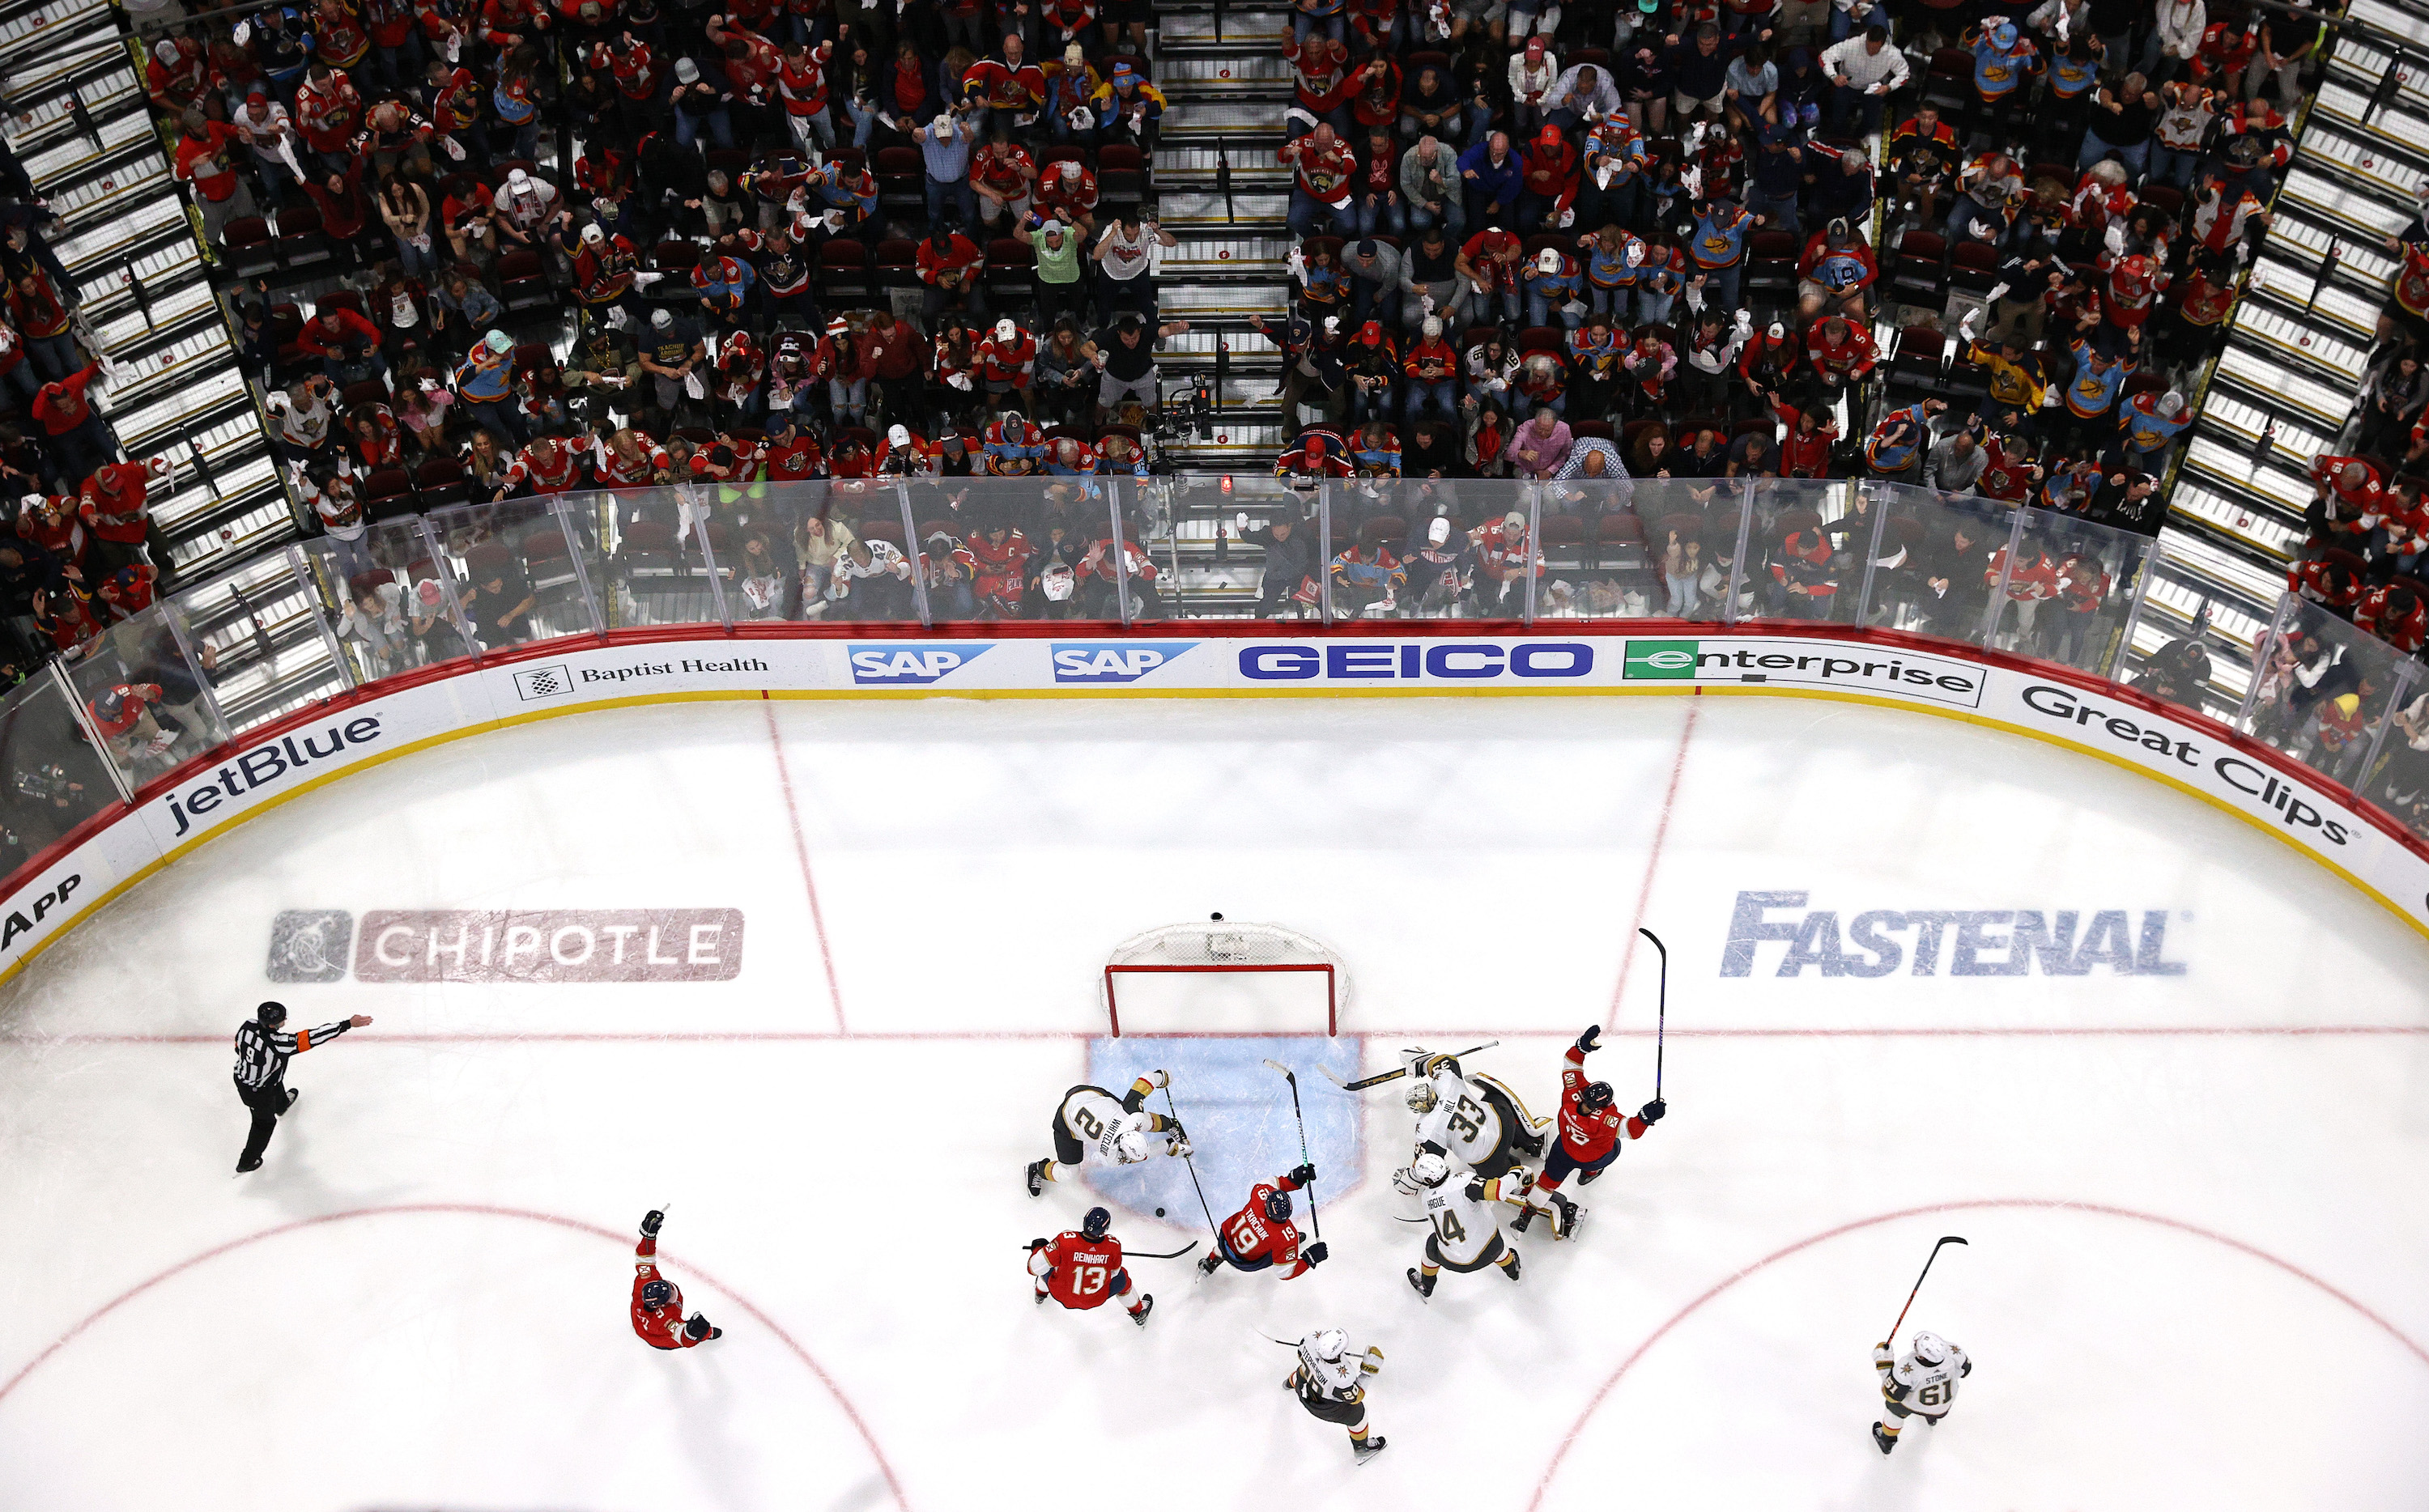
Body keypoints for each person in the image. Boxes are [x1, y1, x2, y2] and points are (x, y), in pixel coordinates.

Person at [1517, 1022, 1661, 1234]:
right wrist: (1646, 1116)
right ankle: (1589, 1173)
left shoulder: (1571, 1093)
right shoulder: (1606, 1120)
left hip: (1563, 1150)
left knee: (1547, 1182)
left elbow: (1570, 1063)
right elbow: (1631, 1130)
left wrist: (1581, 1047)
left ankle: (1528, 1212)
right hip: (1589, 1157)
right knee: (1615, 1147)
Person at [231, 1000, 372, 1173]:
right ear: (272, 1024)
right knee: (264, 1123)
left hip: (245, 1076)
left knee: (275, 1079)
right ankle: (247, 1161)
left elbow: (238, 1048)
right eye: (282, 1020)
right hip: (256, 1092)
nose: (284, 1021)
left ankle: (281, 1105)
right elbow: (312, 1037)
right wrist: (347, 1024)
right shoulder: (279, 1043)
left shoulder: (248, 1026)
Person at [1025, 1070, 1189, 1191]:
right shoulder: (1112, 1156)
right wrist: (1168, 1146)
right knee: (1070, 1173)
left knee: (1140, 1118)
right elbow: (1144, 1155)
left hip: (1083, 1094)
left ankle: (1171, 1124)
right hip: (1065, 1120)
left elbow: (1148, 1077)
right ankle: (1037, 1169)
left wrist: (1162, 1077)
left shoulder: (1132, 1116)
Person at [1028, 1206, 1154, 1326]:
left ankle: (1040, 1295)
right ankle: (1138, 1312)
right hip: (1095, 1299)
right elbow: (1114, 1273)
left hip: (1061, 1294)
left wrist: (1038, 1249)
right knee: (1123, 1278)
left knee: (1048, 1265)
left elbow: (1033, 1268)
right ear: (1105, 1229)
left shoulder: (1065, 1240)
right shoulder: (1113, 1245)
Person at [1198, 1163, 1327, 1278]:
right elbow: (1285, 1272)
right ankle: (1287, 1250)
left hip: (1225, 1238)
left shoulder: (1260, 1193)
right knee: (1282, 1244)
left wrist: (1293, 1179)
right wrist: (1309, 1259)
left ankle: (1212, 1260)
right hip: (1247, 1263)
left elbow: (1274, 1183)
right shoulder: (1287, 1236)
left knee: (1232, 1236)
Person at [1285, 1327, 1387, 1464]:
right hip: (1324, 1407)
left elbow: (1301, 1357)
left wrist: (1315, 1365)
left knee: (1302, 1373)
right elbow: (1355, 1397)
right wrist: (1369, 1372)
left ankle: (1288, 1384)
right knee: (1359, 1415)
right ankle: (1362, 1450)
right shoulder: (1343, 1378)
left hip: (1303, 1386)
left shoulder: (1309, 1340)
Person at [631, 1208, 722, 1349]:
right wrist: (696, 1333)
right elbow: (682, 1337)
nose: (673, 1295)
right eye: (670, 1297)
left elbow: (645, 1257)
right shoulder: (665, 1320)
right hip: (657, 1339)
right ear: (660, 1305)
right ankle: (708, 1335)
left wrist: (649, 1237)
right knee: (697, 1331)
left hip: (639, 1318)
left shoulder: (646, 1281)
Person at [1874, 1331, 1971, 1453]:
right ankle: (1931, 1417)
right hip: (1943, 1406)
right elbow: (1966, 1371)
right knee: (1934, 1401)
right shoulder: (1953, 1351)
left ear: (1922, 1357)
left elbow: (1891, 1395)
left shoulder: (1907, 1368)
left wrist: (1884, 1364)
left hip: (1915, 1404)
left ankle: (1887, 1438)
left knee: (1893, 1409)